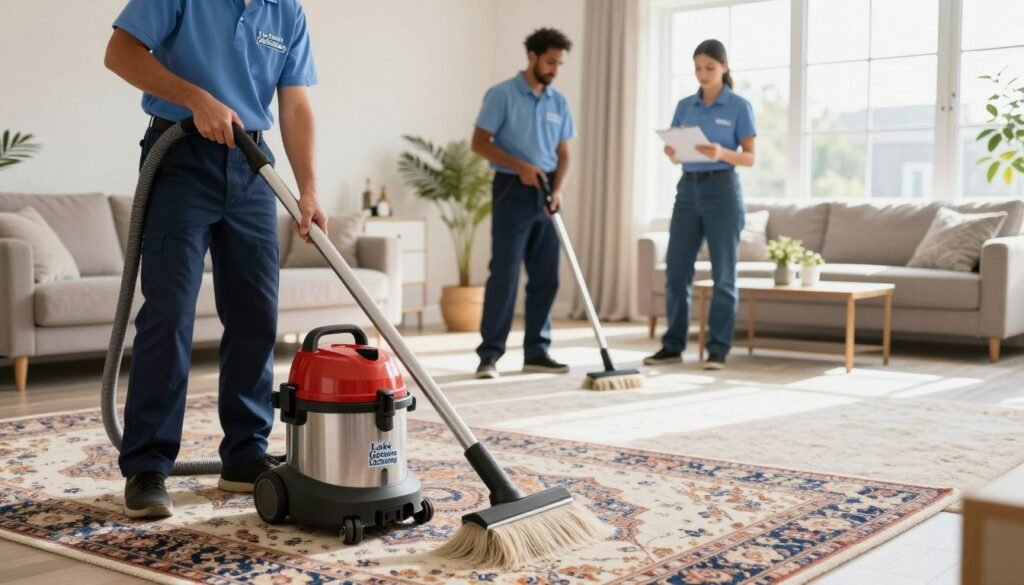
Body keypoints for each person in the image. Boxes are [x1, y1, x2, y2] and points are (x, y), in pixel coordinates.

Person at [104, 0, 326, 518]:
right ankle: (148, 465)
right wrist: (195, 98)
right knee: (170, 312)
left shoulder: (287, 11)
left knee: (255, 313)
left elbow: (294, 104)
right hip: (179, 156)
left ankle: (245, 456)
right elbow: (120, 52)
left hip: (252, 165)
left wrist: (309, 187)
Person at [644, 39, 756, 371]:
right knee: (677, 271)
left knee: (724, 275)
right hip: (687, 191)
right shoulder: (685, 105)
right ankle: (673, 345)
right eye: (697, 68)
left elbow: (750, 157)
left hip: (723, 190)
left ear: (724, 67)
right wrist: (672, 152)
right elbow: (677, 150)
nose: (703, 74)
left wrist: (721, 153)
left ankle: (718, 348)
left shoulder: (739, 106)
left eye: (709, 67)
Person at [471, 28, 576, 380]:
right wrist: (520, 167)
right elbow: (480, 143)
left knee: (547, 275)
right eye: (550, 61)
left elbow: (564, 154)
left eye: (559, 63)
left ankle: (537, 350)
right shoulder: (502, 94)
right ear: (532, 56)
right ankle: (490, 355)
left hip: (546, 193)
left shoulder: (558, 102)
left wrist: (557, 190)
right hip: (511, 190)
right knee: (505, 273)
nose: (554, 69)